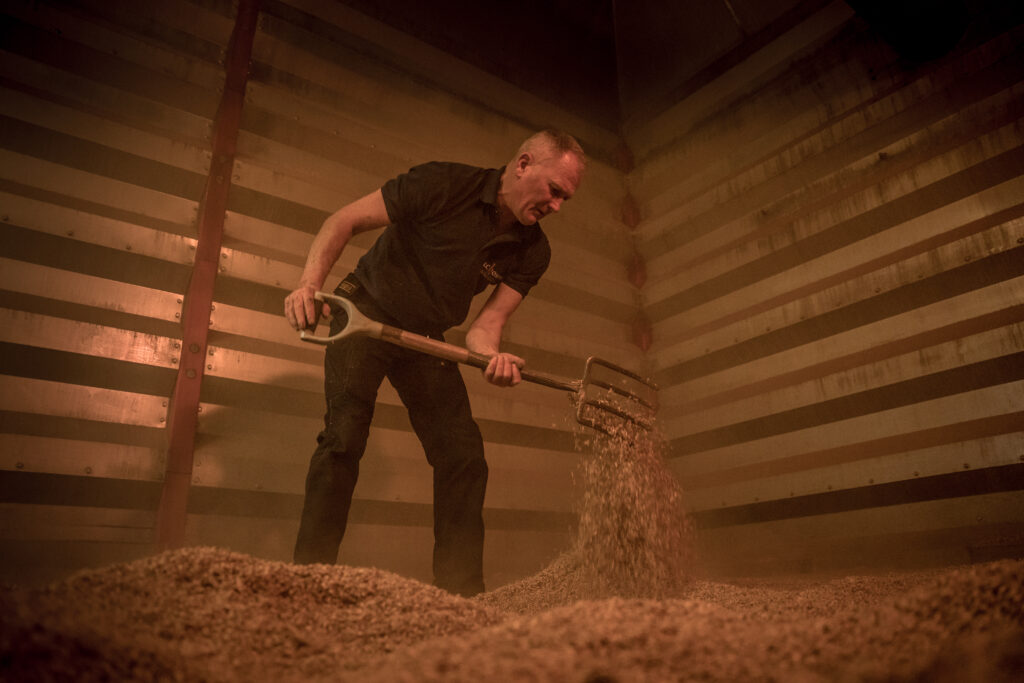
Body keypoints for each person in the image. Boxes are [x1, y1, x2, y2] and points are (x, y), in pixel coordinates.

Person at [284, 130, 586, 596]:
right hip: (366, 311)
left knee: (464, 457)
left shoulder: (533, 251)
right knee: (343, 438)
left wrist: (494, 359)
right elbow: (343, 221)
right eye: (555, 190)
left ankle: (461, 596)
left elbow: (485, 329)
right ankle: (307, 583)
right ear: (524, 165)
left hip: (425, 338)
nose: (558, 206)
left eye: (568, 198)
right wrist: (308, 285)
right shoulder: (443, 184)